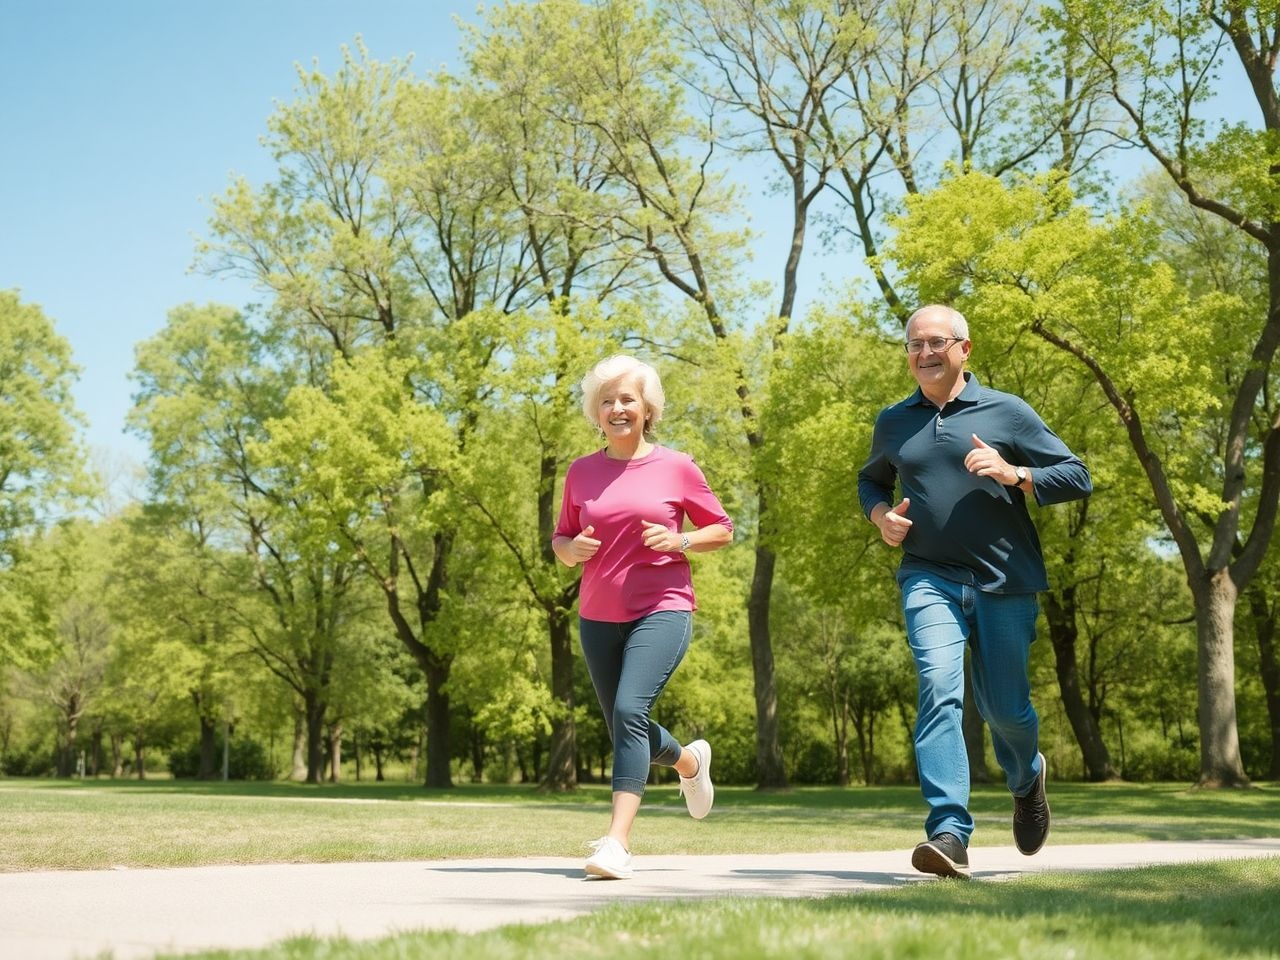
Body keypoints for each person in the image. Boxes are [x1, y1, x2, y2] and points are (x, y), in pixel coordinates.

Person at [857, 304, 1092, 879]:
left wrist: (1016, 474)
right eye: (914, 344)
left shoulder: (1005, 411)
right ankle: (949, 832)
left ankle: (1025, 775)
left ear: (965, 348)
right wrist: (881, 516)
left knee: (1004, 710)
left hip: (1005, 579)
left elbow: (1077, 475)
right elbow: (870, 479)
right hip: (928, 574)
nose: (924, 352)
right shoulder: (894, 421)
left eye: (936, 342)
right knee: (939, 686)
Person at [553, 354, 734, 880]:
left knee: (631, 708)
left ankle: (617, 841)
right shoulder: (581, 472)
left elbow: (722, 528)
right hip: (598, 613)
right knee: (623, 724)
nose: (617, 408)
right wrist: (572, 550)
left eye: (627, 399)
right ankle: (689, 763)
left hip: (663, 606)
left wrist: (680, 538)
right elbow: (561, 539)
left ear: (648, 407)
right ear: (596, 412)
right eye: (606, 401)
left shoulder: (677, 465)